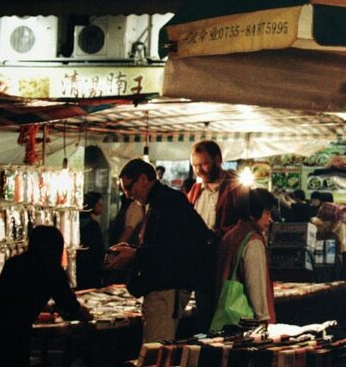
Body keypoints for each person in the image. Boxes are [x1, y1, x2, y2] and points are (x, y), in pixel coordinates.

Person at [106, 159, 217, 342]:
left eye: (129, 187)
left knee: (156, 352)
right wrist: (133, 250)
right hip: (163, 290)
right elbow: (163, 244)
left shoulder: (168, 202)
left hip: (166, 290)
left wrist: (135, 254)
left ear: (143, 179)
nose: (127, 195)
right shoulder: (160, 202)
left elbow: (172, 250)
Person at [0, 226, 91, 367]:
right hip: (12, 336)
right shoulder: (52, 270)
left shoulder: (15, 263)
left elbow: (13, 297)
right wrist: (85, 313)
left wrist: (47, 307)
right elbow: (68, 303)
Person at [215, 187, 277, 327]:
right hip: (247, 323)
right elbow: (255, 284)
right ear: (252, 214)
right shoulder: (253, 240)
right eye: (266, 213)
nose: (270, 219)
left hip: (224, 317)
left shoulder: (230, 235)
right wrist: (263, 318)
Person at [188, 140, 244, 237]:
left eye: (204, 164)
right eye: (194, 165)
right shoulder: (195, 189)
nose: (198, 170)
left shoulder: (237, 188)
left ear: (218, 160)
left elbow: (243, 225)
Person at [76, 191, 106, 289]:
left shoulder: (78, 222)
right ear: (92, 205)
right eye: (99, 204)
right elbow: (98, 249)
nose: (102, 207)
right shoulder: (93, 225)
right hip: (91, 269)